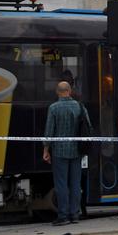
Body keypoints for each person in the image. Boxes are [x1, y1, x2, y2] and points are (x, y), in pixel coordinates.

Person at [42, 80, 92, 226]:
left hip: (59, 150)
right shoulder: (79, 107)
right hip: (77, 150)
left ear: (58, 92)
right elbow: (89, 126)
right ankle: (75, 214)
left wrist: (46, 149)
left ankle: (63, 215)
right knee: (75, 183)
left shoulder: (53, 108)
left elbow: (49, 130)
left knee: (61, 184)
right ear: (70, 91)